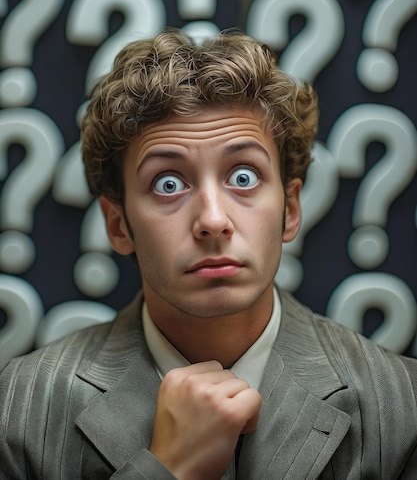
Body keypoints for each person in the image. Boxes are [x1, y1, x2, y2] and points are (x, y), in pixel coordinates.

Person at [1, 30, 417, 480]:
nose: (213, 220)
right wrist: (168, 469)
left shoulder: (405, 407)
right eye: (168, 184)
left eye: (243, 177)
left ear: (290, 210)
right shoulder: (15, 410)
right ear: (119, 226)